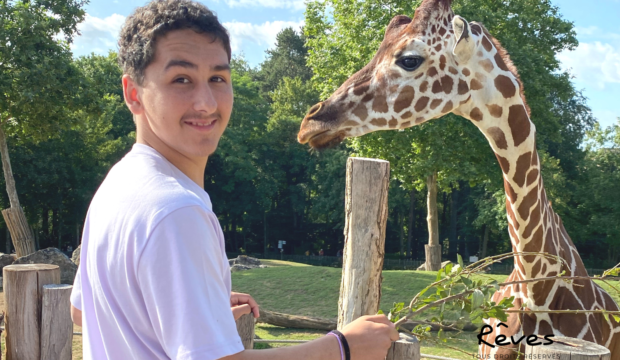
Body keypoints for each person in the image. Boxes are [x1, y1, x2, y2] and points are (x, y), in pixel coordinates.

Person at [70, 1, 399, 359]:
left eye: (217, 78)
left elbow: (83, 310)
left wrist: (195, 305)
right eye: (181, 79)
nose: (206, 102)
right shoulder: (176, 211)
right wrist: (343, 347)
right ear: (134, 93)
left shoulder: (118, 185)